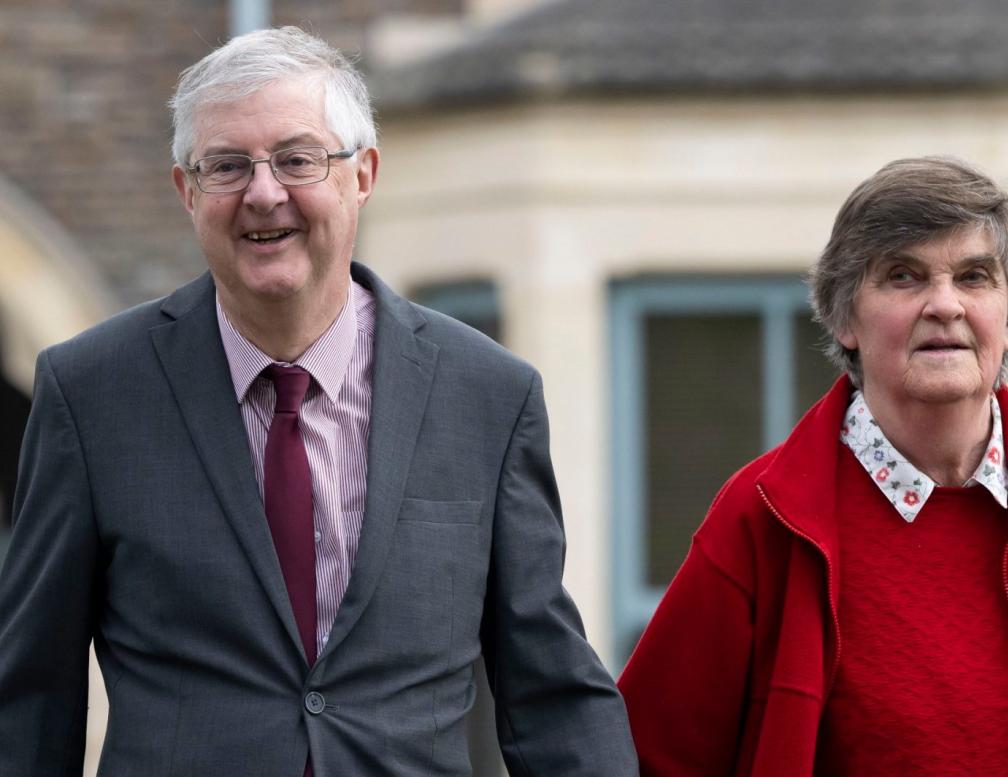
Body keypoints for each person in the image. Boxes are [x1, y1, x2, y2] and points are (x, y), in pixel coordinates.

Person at [0, 27, 637, 776]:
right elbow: (31, 699)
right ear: (187, 191)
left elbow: (553, 693)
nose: (264, 192)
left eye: (297, 159)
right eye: (227, 165)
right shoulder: (91, 394)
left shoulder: (487, 397)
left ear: (362, 175)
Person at [617, 157, 1008, 776]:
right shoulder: (766, 513)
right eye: (903, 276)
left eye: (974, 276)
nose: (944, 305)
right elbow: (649, 756)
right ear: (845, 319)